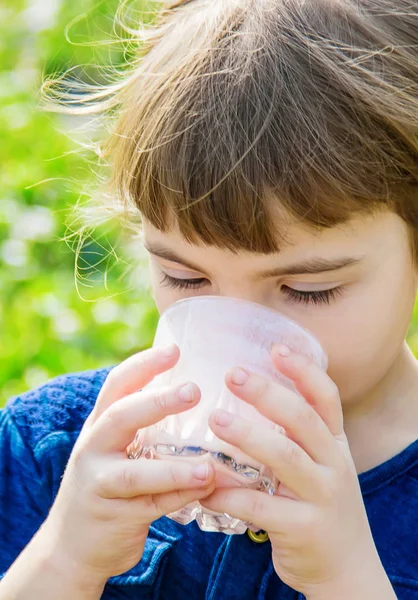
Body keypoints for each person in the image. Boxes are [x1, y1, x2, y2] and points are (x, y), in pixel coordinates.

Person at [1, 0, 418, 598]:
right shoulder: (55, 453)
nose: (242, 333)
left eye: (309, 289)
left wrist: (345, 577)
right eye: (186, 278)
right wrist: (65, 561)